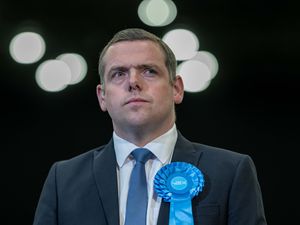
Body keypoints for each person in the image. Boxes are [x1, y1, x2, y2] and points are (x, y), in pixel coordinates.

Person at [33, 28, 267, 225]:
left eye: (149, 71)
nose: (133, 82)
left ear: (176, 88)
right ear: (102, 97)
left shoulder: (231, 172)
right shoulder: (62, 181)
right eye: (118, 74)